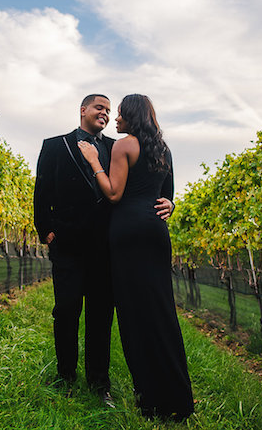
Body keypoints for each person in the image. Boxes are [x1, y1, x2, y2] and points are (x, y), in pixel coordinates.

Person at [34, 94, 174, 407]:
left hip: (106, 247)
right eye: (100, 107)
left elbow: (152, 183)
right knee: (66, 312)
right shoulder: (54, 145)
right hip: (67, 244)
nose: (106, 114)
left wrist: (171, 201)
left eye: (110, 111)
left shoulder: (118, 146)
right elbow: (41, 191)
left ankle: (100, 384)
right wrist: (47, 232)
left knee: (100, 317)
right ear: (82, 110)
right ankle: (65, 377)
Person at [78, 94, 194, 422]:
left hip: (128, 232)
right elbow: (166, 195)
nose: (115, 119)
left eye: (120, 114)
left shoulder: (124, 145)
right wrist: (170, 205)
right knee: (160, 312)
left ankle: (152, 401)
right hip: (156, 233)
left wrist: (93, 161)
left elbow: (113, 192)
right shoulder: (163, 149)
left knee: (134, 316)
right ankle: (177, 400)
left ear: (131, 116)